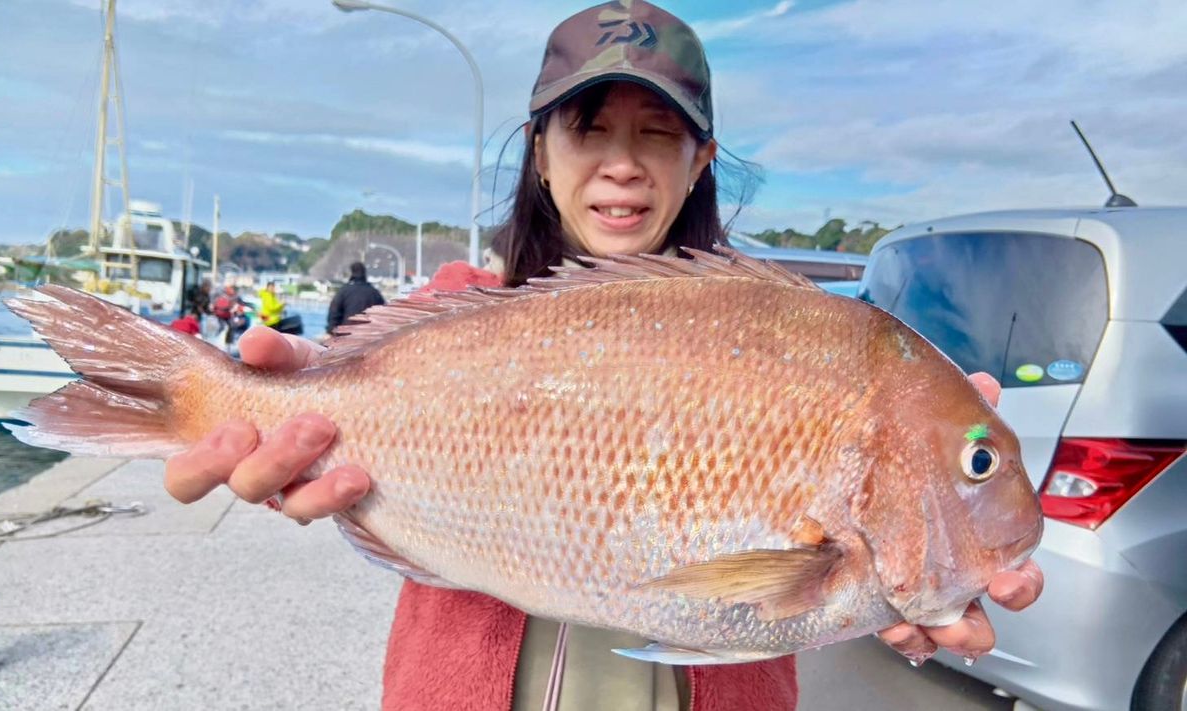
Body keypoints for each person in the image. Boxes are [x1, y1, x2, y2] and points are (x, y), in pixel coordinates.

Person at [163, 2, 1044, 710]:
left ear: (700, 161)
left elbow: (804, 583)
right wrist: (269, 429)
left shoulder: (797, 329)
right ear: (542, 156)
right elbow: (344, 422)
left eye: (658, 133)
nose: (622, 165)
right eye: (589, 129)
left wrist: (913, 588)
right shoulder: (450, 319)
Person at [326, 261, 386, 335]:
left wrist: (331, 330)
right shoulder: (374, 292)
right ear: (364, 273)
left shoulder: (344, 291)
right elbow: (383, 314)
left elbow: (334, 312)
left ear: (351, 273)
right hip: (368, 335)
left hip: (346, 334)